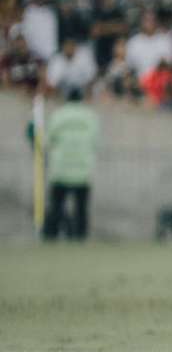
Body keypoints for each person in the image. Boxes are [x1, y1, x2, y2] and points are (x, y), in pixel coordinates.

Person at [42, 88, 99, 241]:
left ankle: (50, 235)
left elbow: (48, 140)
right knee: (81, 208)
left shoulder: (58, 115)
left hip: (60, 168)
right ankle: (80, 236)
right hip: (82, 169)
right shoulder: (90, 116)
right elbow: (96, 141)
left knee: (56, 205)